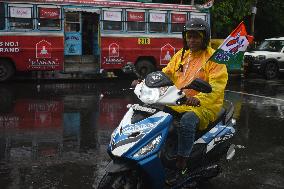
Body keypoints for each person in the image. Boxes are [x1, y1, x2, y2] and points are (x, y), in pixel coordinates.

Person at [162, 18, 228, 174]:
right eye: (189, 36)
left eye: (196, 36)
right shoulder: (181, 55)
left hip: (204, 105)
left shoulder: (215, 58)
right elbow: (167, 72)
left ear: (204, 38)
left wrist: (198, 99)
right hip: (178, 100)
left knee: (187, 121)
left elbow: (217, 86)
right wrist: (148, 81)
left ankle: (182, 162)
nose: (192, 40)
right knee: (159, 117)